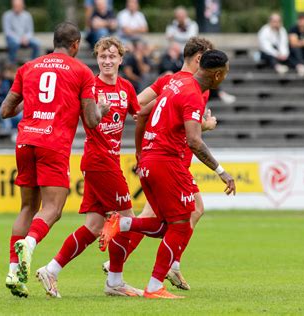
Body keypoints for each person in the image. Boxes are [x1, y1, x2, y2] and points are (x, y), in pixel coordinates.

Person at [100, 49, 236, 299]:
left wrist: (141, 151)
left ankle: (122, 223)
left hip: (151, 160)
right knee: (183, 223)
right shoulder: (194, 94)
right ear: (217, 75)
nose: (225, 77)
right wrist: (221, 171)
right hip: (168, 162)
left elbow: (143, 111)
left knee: (166, 226)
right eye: (225, 73)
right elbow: (194, 141)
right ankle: (154, 286)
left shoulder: (176, 81)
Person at [0, 22, 110, 298]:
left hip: (26, 141)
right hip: (53, 143)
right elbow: (92, 121)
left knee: (27, 207)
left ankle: (14, 271)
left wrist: (34, 104)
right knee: (53, 208)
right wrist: (103, 109)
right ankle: (30, 244)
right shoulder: (82, 72)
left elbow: (5, 110)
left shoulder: (28, 68)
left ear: (53, 42)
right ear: (75, 45)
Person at [35, 37, 144, 298]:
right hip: (98, 160)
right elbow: (80, 116)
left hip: (109, 159)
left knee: (94, 226)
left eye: (112, 57)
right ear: (97, 59)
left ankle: (51, 270)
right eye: (102, 57)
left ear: (120, 59)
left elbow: (139, 113)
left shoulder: (127, 87)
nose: (107, 61)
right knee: (127, 219)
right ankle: (115, 281)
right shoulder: (89, 86)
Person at [2, 0, 40, 64]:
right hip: (13, 39)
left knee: (37, 44)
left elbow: (30, 31)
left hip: (25, 39)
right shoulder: (7, 15)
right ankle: (12, 65)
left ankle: (33, 64)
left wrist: (26, 38)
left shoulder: (27, 16)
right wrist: (19, 39)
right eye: (15, 6)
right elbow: (8, 32)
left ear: (23, 6)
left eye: (18, 6)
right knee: (14, 44)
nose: (16, 8)